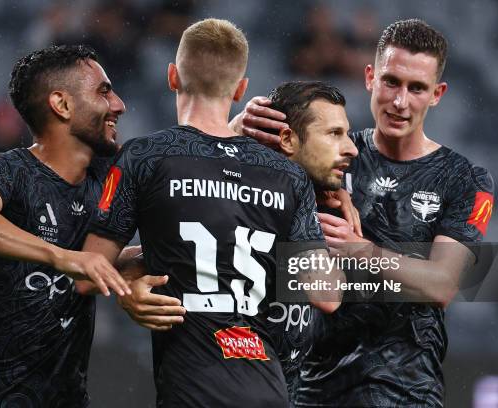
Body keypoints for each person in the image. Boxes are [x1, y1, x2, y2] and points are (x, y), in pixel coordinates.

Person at [230, 18, 494, 407]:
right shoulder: (325, 153)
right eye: (391, 82)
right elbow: (230, 179)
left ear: (437, 93)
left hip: (406, 393)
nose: (400, 101)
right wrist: (239, 127)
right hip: (310, 388)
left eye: (416, 88)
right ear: (370, 77)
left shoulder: (463, 178)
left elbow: (442, 285)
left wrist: (363, 252)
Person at [78, 18, 339, 407]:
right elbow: (328, 294)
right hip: (267, 389)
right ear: (240, 88)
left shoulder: (146, 156)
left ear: (172, 76)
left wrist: (140, 274)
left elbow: (86, 273)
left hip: (193, 389)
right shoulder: (286, 175)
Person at [0, 45, 132, 407]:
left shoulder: (106, 181)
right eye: (103, 91)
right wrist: (59, 256)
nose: (118, 104)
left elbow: (88, 267)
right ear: (62, 104)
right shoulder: (8, 169)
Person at [261, 81, 358, 405]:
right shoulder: (244, 200)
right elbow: (328, 296)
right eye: (334, 134)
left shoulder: (328, 203)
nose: (351, 148)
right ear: (288, 139)